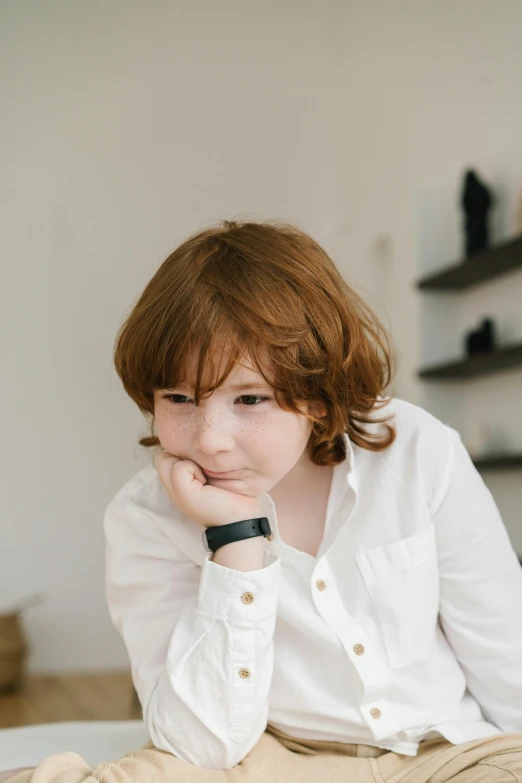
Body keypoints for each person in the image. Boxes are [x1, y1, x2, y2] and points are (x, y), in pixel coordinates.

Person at [6, 219, 522, 782]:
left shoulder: (419, 452)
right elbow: (201, 745)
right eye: (178, 398)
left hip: (446, 752)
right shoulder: (145, 516)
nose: (209, 439)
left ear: (321, 399)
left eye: (249, 398)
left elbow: (506, 657)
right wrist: (235, 540)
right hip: (272, 759)